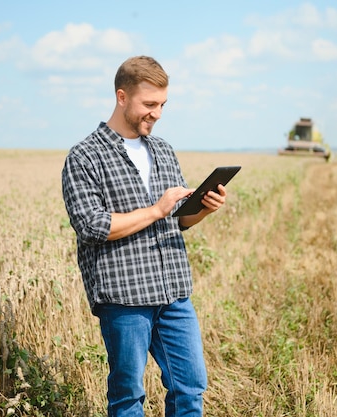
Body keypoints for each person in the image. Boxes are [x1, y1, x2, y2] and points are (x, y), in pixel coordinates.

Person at [61, 55, 227, 416]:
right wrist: (156, 209)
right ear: (122, 97)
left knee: (190, 387)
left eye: (163, 104)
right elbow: (92, 226)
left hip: (174, 292)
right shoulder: (84, 157)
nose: (158, 113)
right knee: (128, 395)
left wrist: (202, 208)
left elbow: (176, 222)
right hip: (124, 296)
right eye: (149, 104)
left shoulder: (164, 150)